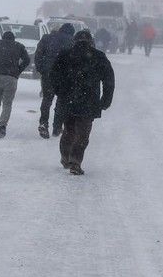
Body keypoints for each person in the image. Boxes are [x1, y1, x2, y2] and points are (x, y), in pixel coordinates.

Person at [48, 29, 114, 175]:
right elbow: (109, 80)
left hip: (67, 100)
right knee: (83, 135)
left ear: (74, 41)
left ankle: (65, 157)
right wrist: (106, 100)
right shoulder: (98, 56)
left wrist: (59, 91)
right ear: (91, 42)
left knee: (69, 131)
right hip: (89, 101)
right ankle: (75, 162)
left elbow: (53, 75)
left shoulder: (65, 55)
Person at [33, 22, 75, 139]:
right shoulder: (72, 41)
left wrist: (41, 68)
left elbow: (38, 54)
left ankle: (43, 123)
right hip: (64, 75)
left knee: (47, 99)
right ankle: (57, 127)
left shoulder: (47, 38)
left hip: (48, 73)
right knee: (61, 100)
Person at [0, 30, 30, 138]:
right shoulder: (19, 46)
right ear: (13, 38)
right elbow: (27, 60)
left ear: (2, 37)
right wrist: (18, 70)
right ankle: (2, 125)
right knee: (7, 103)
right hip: (11, 78)